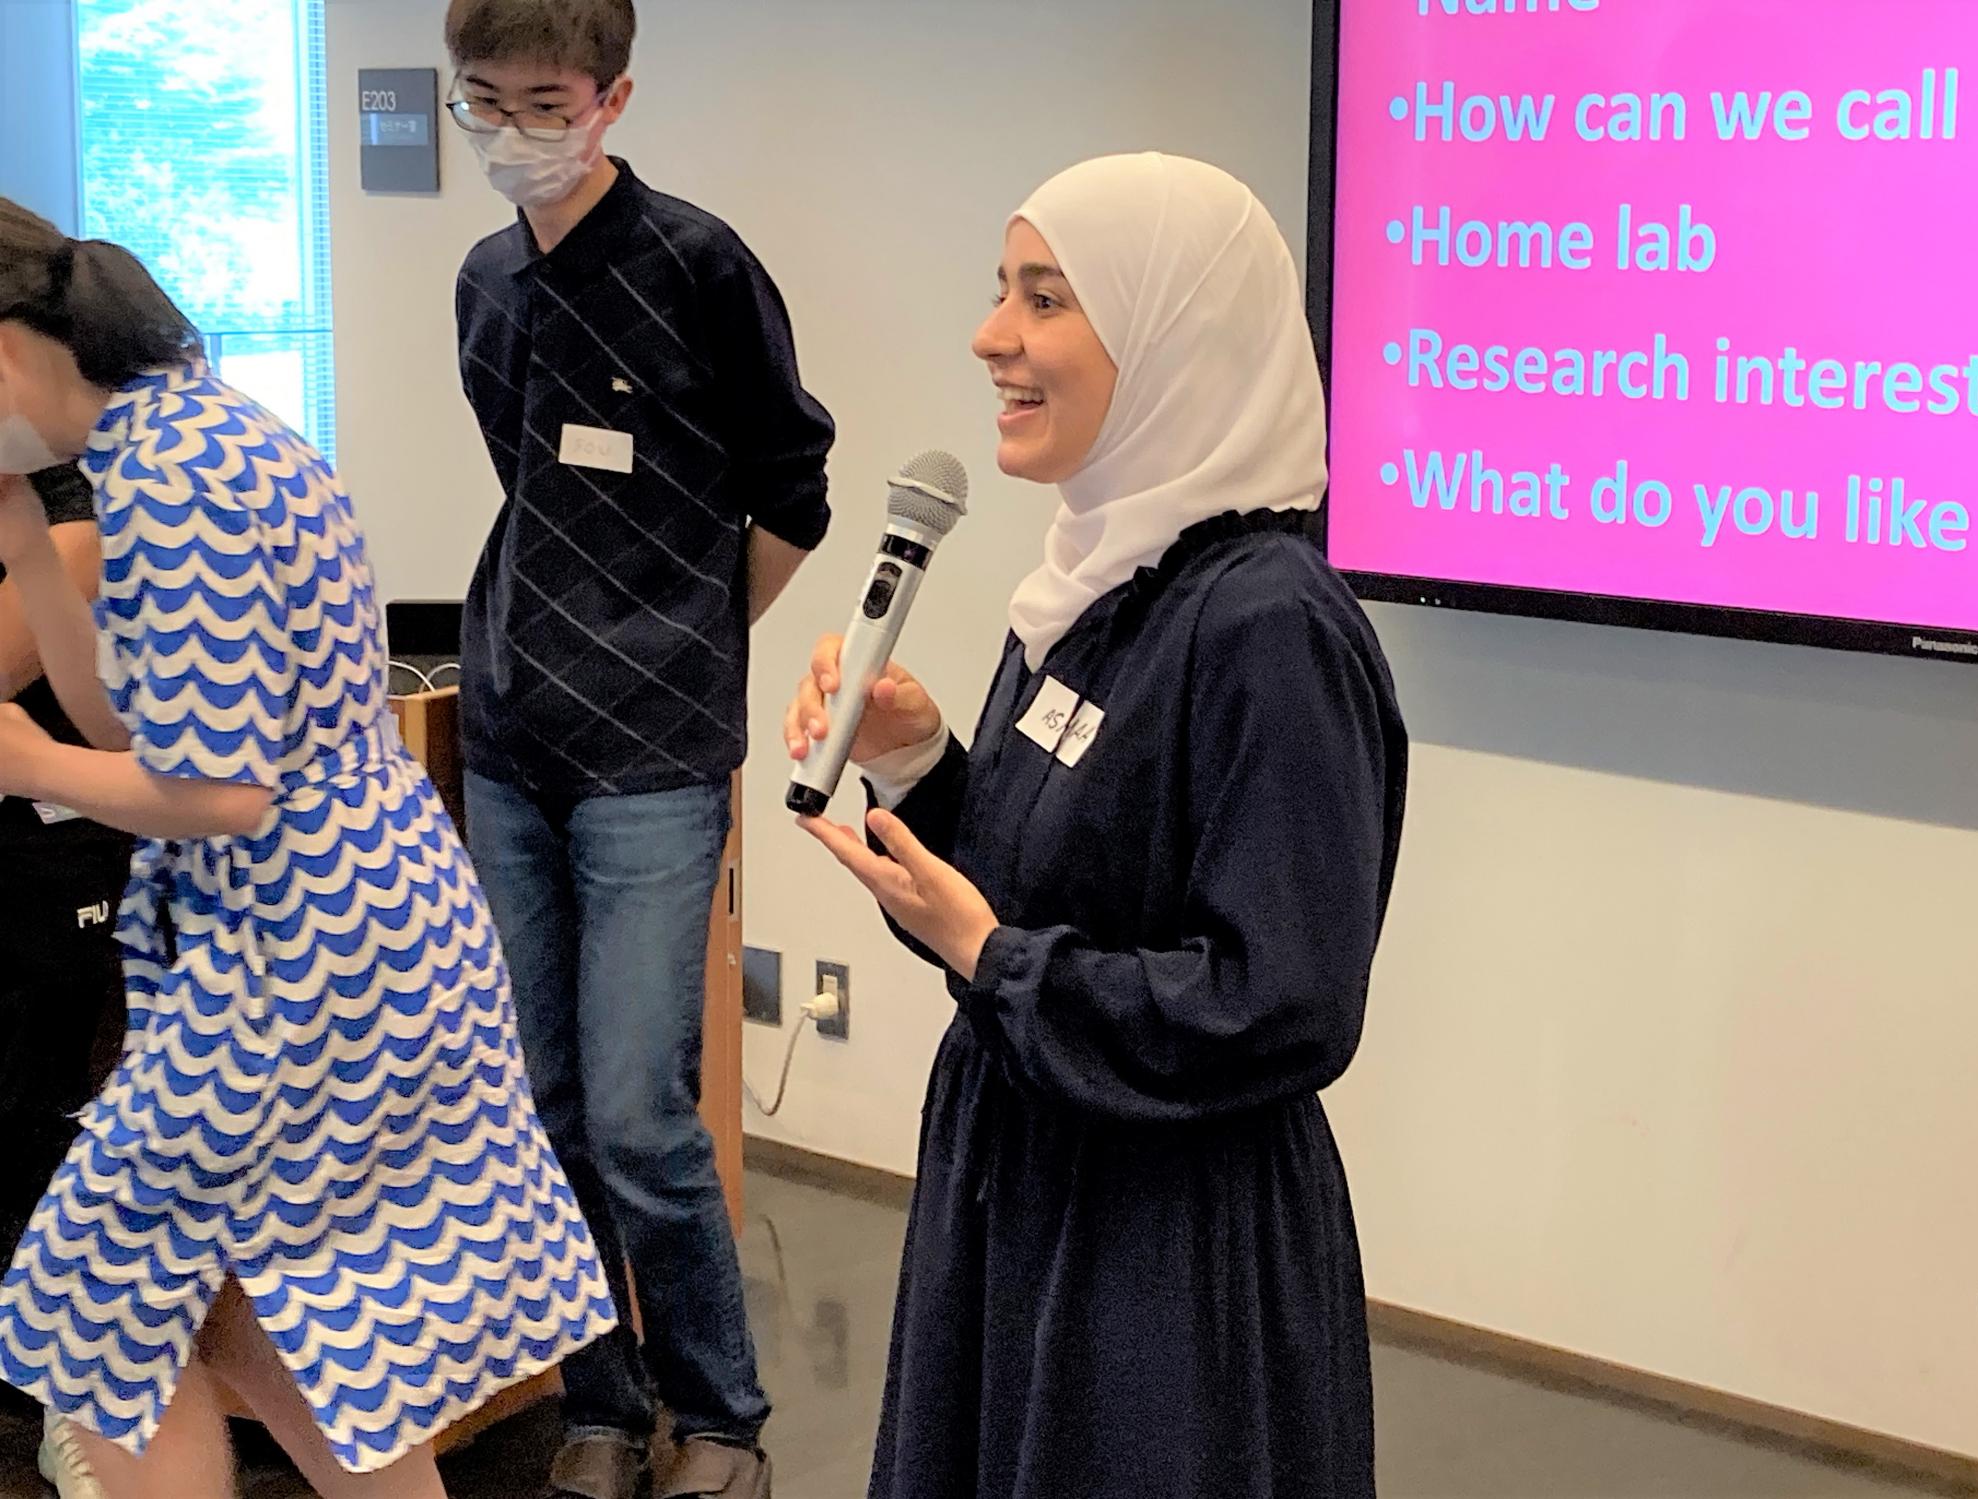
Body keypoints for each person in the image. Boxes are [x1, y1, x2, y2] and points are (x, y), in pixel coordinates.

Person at [786, 153, 1408, 1499]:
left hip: (1165, 1245)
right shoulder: (1089, 586)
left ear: (1176, 336)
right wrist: (917, 766)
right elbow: (1044, 881)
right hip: (1025, 1178)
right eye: (1000, 290)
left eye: (1045, 298)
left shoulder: (1270, 625)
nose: (989, 335)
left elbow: (1283, 999)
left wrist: (997, 959)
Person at [0, 200, 618, 1499]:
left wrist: (32, 766)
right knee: (244, 1324)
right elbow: (138, 724)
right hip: (340, 928)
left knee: (101, 1304)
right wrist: (30, 556)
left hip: (302, 948)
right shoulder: (186, 432)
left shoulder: (175, 476)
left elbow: (217, 790)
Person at [446, 3, 834, 1495]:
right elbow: (530, 484)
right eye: (482, 100)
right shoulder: (486, 281)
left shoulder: (697, 262)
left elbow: (792, 487)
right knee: (539, 1104)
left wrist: (685, 632)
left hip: (656, 751)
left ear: (612, 98)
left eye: (542, 103)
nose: (509, 133)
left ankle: (719, 1412)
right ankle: (600, 1405)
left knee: (638, 1112)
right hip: (509, 734)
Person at [0, 463, 128, 1499]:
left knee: (37, 1111)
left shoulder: (68, 484)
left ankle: (71, 1406)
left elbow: (17, 646)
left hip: (57, 842)